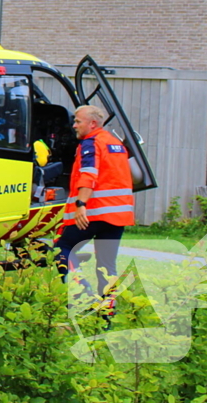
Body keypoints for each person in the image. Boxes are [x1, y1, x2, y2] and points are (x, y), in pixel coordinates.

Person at [55, 105, 135, 303]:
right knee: (107, 266)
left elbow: (89, 173)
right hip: (118, 215)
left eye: (78, 121)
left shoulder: (91, 143)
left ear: (92, 124)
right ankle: (107, 314)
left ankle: (83, 295)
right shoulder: (115, 143)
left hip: (93, 213)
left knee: (63, 248)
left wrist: (81, 203)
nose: (74, 125)